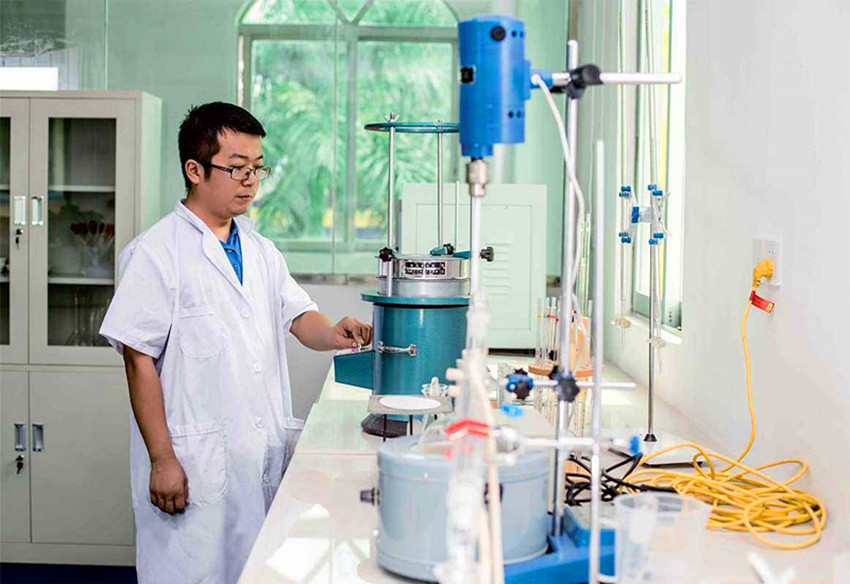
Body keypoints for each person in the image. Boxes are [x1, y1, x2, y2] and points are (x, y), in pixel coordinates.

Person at [100, 102, 372, 584]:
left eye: (257, 168)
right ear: (195, 170)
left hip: (254, 458)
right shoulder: (156, 253)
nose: (250, 181)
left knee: (255, 568)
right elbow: (138, 360)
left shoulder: (260, 250)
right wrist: (162, 459)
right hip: (194, 463)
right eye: (237, 168)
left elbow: (298, 316)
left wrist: (332, 333)